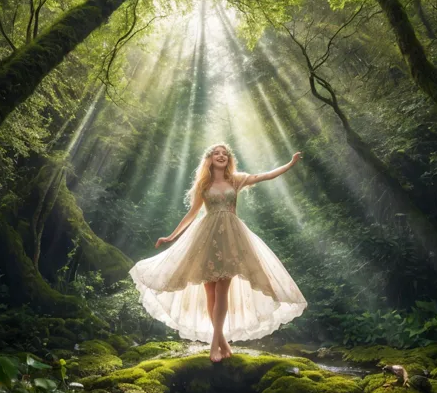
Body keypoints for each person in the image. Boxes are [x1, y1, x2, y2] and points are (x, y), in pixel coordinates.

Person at [130, 143, 308, 363]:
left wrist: (290, 163)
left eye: (225, 154)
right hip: (206, 239)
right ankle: (222, 342)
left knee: (223, 289)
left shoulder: (236, 179)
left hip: (231, 239)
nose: (221, 156)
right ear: (210, 159)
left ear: (228, 159)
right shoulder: (203, 185)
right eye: (217, 153)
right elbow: (191, 214)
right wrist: (171, 236)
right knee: (210, 292)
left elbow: (265, 175)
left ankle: (214, 345)